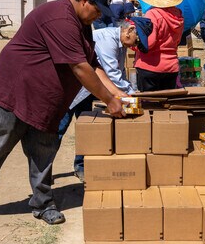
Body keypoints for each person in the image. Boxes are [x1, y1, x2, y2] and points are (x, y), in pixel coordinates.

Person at [0, 0, 125, 226]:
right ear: (84, 0)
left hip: (45, 100)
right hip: (14, 93)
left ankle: (43, 203)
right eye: (98, 10)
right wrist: (109, 100)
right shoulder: (60, 18)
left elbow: (92, 63)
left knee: (44, 151)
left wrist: (118, 94)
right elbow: (80, 68)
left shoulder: (82, 23)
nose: (99, 16)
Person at [58, 16, 153, 181]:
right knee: (58, 129)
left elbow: (120, 72)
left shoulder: (121, 44)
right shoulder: (107, 39)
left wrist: (131, 92)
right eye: (136, 41)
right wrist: (131, 96)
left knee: (86, 131)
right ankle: (43, 171)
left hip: (89, 91)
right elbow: (112, 74)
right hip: (73, 89)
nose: (134, 46)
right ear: (129, 29)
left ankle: (81, 166)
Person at [135, 0, 184, 91]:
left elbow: (149, 43)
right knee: (167, 106)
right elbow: (177, 41)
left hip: (150, 67)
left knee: (150, 106)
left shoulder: (152, 14)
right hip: (171, 67)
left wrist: (134, 45)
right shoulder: (178, 15)